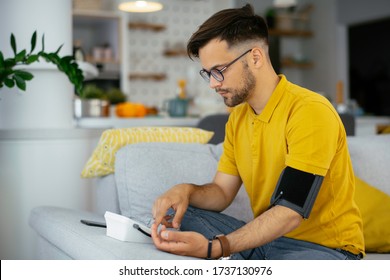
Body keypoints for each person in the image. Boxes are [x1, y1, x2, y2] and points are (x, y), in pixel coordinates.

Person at [151, 4, 365, 260]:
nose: (212, 84)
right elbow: (221, 193)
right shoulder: (237, 119)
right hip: (268, 240)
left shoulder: (309, 111)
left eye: (219, 71)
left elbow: (290, 212)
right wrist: (185, 191)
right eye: (207, 73)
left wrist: (217, 247)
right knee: (174, 216)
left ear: (255, 57)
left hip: (323, 250)